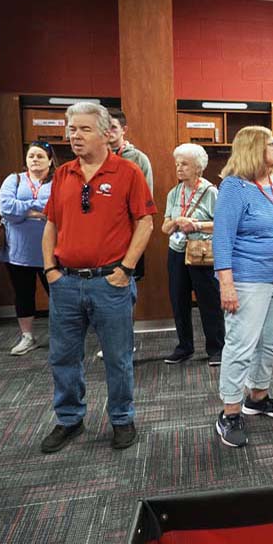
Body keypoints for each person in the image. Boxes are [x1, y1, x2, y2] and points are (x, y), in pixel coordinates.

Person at [40, 102, 155, 454]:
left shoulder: (128, 172)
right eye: (71, 129)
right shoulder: (62, 175)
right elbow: (51, 225)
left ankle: (122, 419)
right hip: (66, 283)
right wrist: (51, 272)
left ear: (106, 133)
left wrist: (125, 270)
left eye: (84, 129)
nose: (75, 135)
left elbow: (145, 223)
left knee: (117, 357)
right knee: (63, 356)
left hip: (110, 283)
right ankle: (70, 419)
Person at [212, 126, 273, 448]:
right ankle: (230, 412)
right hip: (247, 278)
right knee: (240, 345)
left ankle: (258, 397)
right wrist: (226, 285)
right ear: (254, 149)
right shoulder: (234, 187)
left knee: (269, 341)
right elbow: (222, 239)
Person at [96, 108, 153, 358]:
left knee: (124, 290)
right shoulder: (96, 158)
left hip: (129, 238)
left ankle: (125, 342)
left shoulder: (137, 159)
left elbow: (145, 200)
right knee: (102, 291)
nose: (109, 134)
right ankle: (109, 341)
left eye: (114, 129)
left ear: (123, 130)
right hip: (100, 239)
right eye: (105, 129)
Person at [161, 143, 224, 366]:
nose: (179, 168)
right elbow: (164, 227)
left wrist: (195, 225)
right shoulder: (174, 192)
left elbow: (221, 225)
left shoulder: (211, 192)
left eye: (184, 164)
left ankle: (217, 348)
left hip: (201, 253)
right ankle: (184, 346)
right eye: (177, 163)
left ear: (198, 167)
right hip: (176, 252)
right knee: (178, 300)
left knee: (209, 301)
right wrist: (176, 222)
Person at [0, 141, 55, 355]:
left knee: (57, 294)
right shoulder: (14, 180)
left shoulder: (57, 181)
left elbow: (56, 207)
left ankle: (61, 335)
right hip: (18, 251)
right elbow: (6, 208)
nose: (35, 160)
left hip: (51, 251)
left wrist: (24, 210)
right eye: (31, 156)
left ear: (50, 160)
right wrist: (36, 212)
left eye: (40, 156)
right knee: (23, 294)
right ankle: (27, 336)